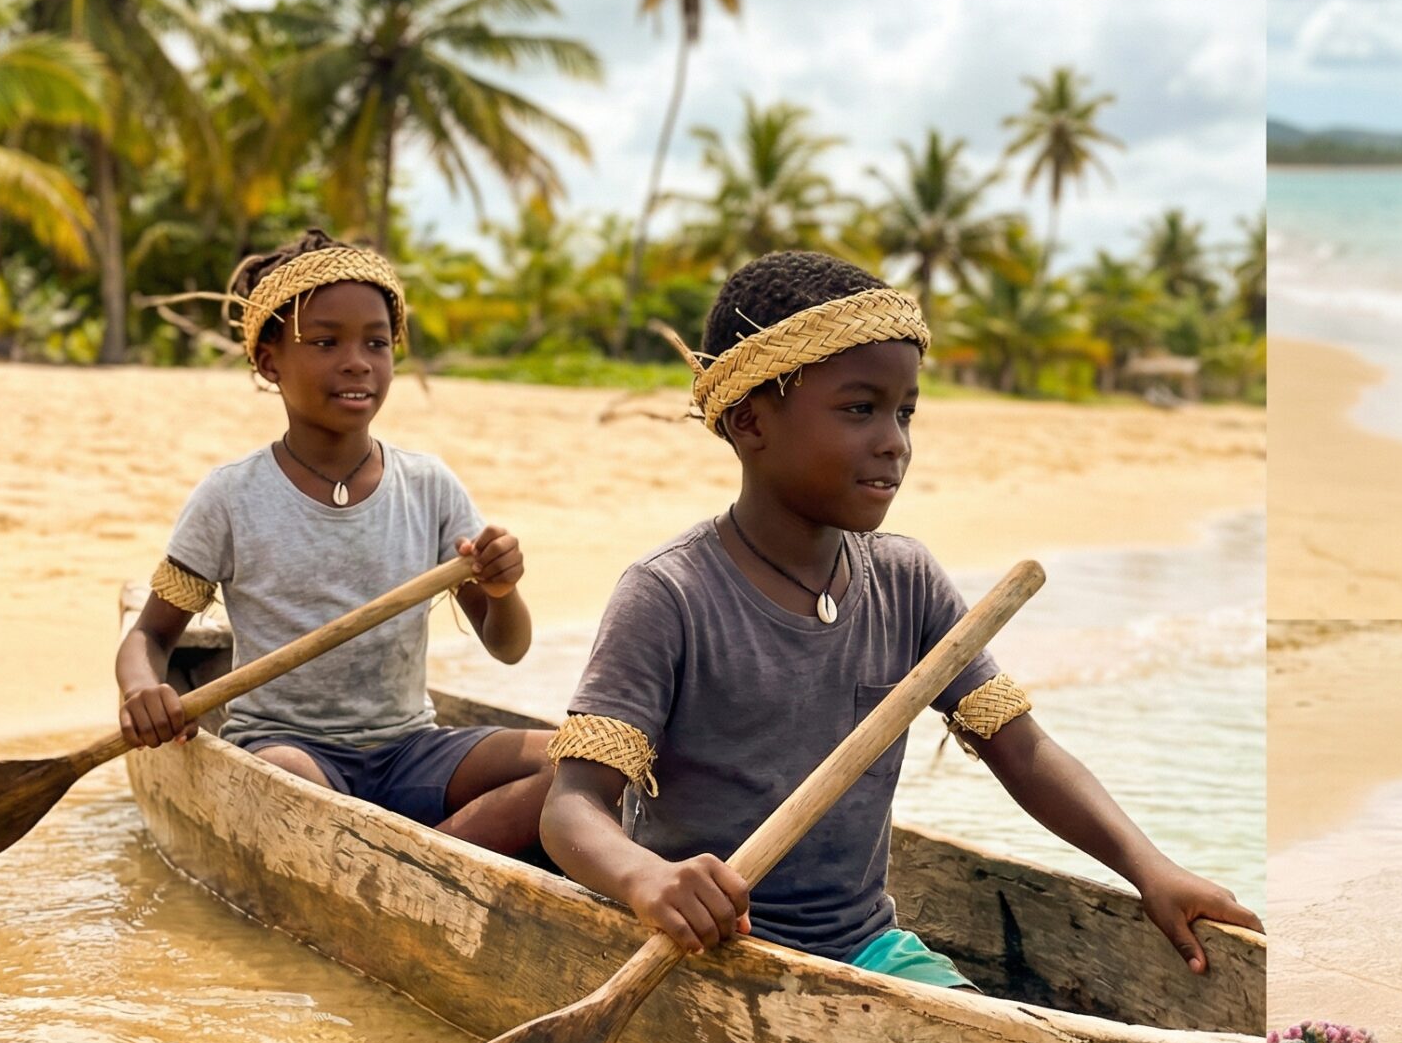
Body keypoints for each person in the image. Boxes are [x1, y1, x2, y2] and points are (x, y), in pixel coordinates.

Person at [538, 252, 1260, 985]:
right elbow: (571, 808)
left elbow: (1025, 752)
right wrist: (644, 879)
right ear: (750, 419)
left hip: (866, 949)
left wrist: (1151, 868)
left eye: (905, 411)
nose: (894, 440)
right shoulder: (670, 593)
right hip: (700, 949)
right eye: (859, 409)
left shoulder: (905, 579)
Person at [117, 230, 551, 854]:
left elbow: (508, 648)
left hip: (410, 749)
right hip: (288, 751)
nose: (358, 362)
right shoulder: (231, 497)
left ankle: (420, 853)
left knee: (577, 765)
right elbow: (151, 636)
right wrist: (142, 692)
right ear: (270, 363)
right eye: (326, 343)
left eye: (377, 342)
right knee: (295, 786)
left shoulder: (428, 486)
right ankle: (428, 853)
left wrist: (502, 590)